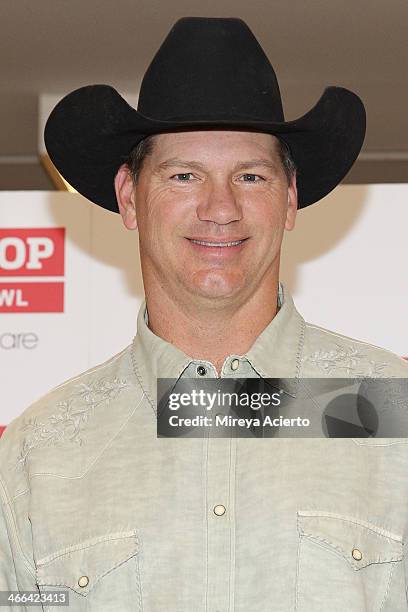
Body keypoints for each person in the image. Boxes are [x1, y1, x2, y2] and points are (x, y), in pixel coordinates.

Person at [1, 17, 407, 612]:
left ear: (290, 199)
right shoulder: (41, 451)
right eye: (184, 175)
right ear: (129, 196)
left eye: (250, 175)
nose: (221, 208)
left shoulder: (390, 411)